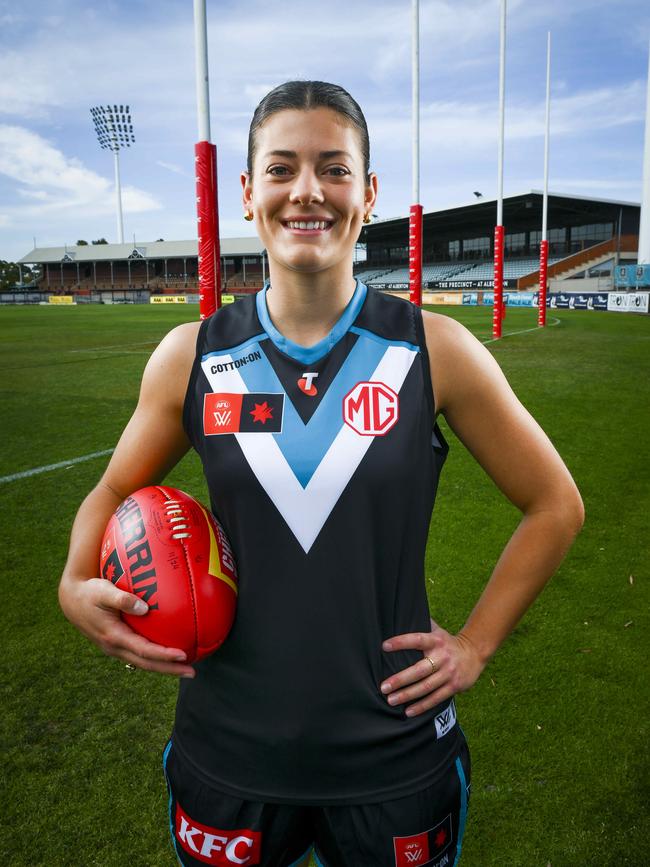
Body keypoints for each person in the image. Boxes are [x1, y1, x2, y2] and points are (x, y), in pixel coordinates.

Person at [59, 80, 585, 867]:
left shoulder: (433, 348)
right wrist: (73, 580)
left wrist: (474, 646)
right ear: (246, 193)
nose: (308, 190)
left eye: (335, 168)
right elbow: (110, 490)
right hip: (228, 749)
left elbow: (555, 504)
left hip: (393, 756)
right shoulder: (190, 356)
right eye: (282, 168)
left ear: (369, 194)